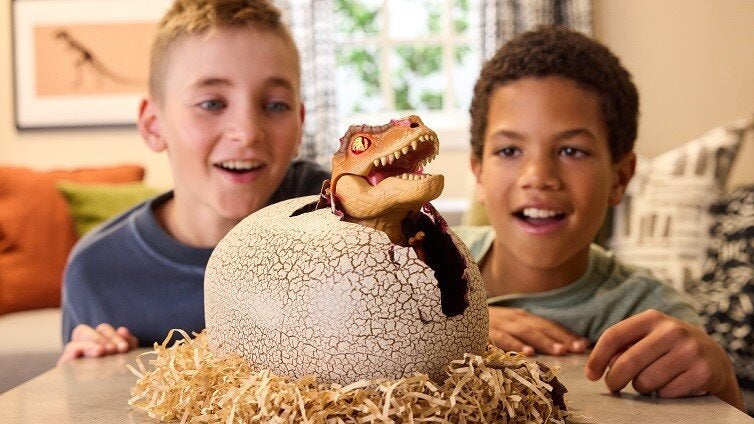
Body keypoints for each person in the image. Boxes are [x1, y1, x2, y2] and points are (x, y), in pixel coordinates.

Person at [453, 25, 744, 410]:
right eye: (509, 151)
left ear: (619, 178)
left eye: (571, 151)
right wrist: (465, 327)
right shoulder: (420, 260)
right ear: (479, 175)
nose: (538, 177)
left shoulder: (651, 315)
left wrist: (721, 376)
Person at [58, 0, 329, 364]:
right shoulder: (97, 271)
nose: (248, 132)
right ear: (154, 125)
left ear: (300, 123)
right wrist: (86, 369)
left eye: (275, 105)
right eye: (212, 104)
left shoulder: (343, 213)